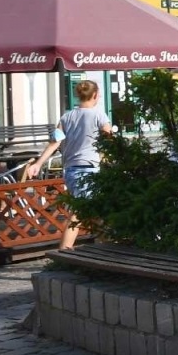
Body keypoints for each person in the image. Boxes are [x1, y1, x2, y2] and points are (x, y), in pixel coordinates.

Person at [25, 80, 115, 250]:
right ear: (95, 95)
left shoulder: (66, 117)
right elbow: (110, 139)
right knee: (79, 213)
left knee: (95, 212)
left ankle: (108, 249)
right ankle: (64, 253)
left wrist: (38, 163)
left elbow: (54, 142)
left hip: (71, 170)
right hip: (90, 169)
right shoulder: (99, 115)